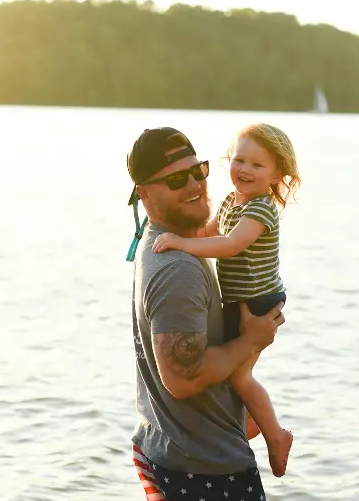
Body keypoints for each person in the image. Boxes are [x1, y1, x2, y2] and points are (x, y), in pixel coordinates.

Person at [125, 126, 286, 501]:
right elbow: (184, 379)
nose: (195, 184)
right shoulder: (178, 267)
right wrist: (251, 339)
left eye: (198, 170)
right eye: (177, 179)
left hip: (182, 453)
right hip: (205, 469)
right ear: (144, 194)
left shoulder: (167, 240)